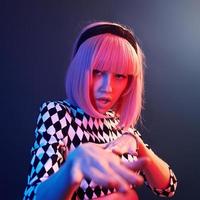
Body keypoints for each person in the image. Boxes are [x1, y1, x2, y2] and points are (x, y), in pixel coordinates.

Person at [23, 21, 177, 200]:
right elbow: (33, 196)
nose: (107, 87)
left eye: (119, 76)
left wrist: (137, 144)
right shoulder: (58, 114)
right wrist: (73, 165)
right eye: (97, 72)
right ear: (80, 71)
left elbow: (167, 188)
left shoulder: (120, 125)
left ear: (130, 82)